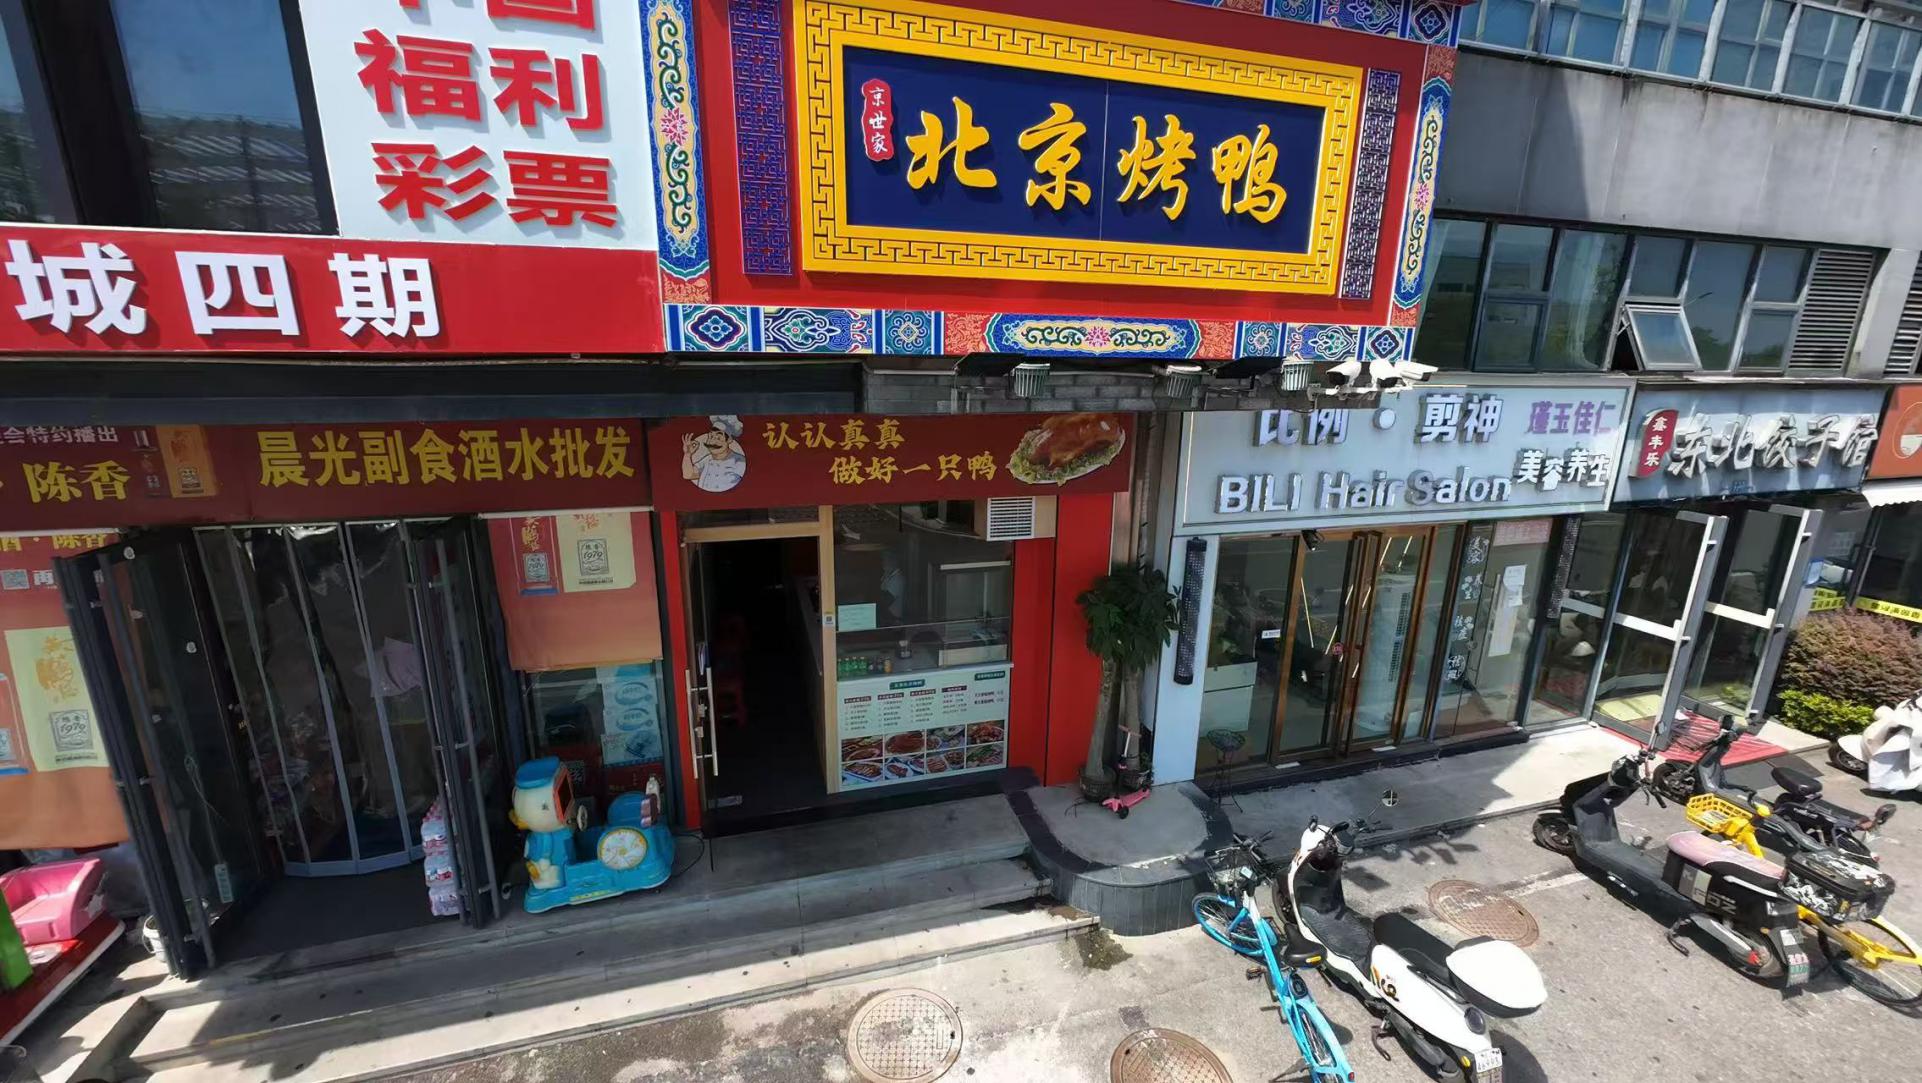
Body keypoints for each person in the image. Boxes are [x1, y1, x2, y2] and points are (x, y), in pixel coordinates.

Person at [681, 415, 746, 493]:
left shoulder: (739, 461)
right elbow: (688, 475)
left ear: (729, 440)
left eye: (718, 438)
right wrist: (687, 454)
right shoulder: (708, 459)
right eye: (711, 437)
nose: (712, 442)